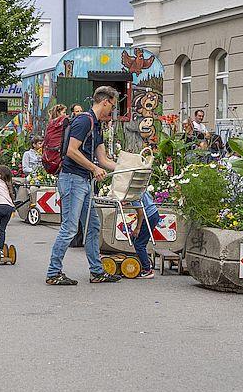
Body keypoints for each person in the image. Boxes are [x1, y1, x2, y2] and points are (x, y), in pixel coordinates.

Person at [46, 86, 121, 285]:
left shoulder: (96, 126)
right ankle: (53, 273)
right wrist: (93, 168)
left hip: (84, 181)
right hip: (72, 179)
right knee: (70, 228)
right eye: (112, 106)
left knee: (92, 227)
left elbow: (103, 159)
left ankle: (96, 271)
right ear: (105, 101)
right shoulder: (84, 121)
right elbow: (71, 150)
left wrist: (130, 167)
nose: (112, 111)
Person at [132, 192, 161, 279]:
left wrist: (138, 228)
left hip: (149, 216)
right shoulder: (140, 188)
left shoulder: (133, 195)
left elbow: (140, 212)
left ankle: (147, 269)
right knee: (134, 238)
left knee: (139, 244)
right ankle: (144, 261)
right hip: (154, 213)